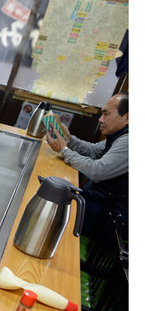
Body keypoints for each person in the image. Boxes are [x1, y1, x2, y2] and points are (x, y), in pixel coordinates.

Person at [45, 92, 128, 239]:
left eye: (106, 114)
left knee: (51, 210)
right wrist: (69, 139)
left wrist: (64, 150)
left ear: (127, 117)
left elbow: (97, 171)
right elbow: (94, 151)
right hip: (96, 200)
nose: (100, 120)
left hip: (110, 214)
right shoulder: (121, 135)